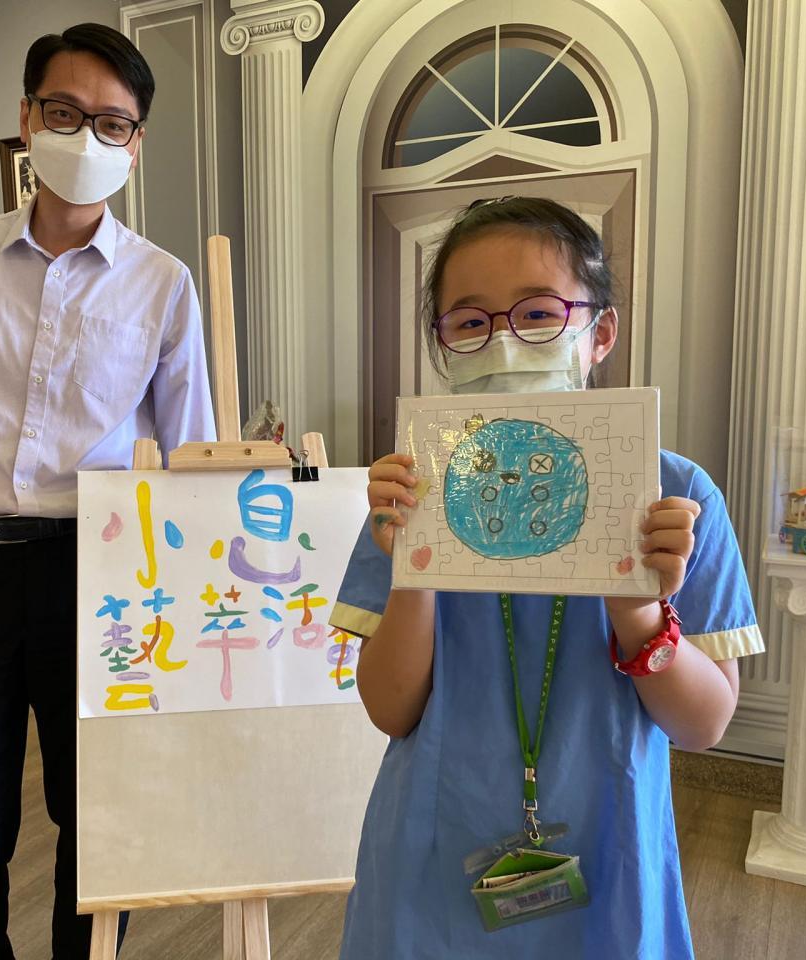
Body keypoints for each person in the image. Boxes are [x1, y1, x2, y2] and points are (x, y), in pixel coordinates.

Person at [0, 22, 215, 960]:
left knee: (97, 815)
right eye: (65, 112)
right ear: (27, 117)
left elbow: (190, 457)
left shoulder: (163, 284)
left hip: (100, 575)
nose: (86, 136)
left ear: (135, 143)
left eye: (112, 122)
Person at [328, 196, 765, 959]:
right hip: (432, 850)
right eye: (470, 322)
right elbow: (390, 709)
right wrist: (415, 568)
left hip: (609, 843)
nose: (503, 343)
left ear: (601, 333)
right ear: (444, 346)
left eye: (538, 314)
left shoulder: (674, 500)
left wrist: (638, 613)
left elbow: (703, 725)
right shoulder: (414, 494)